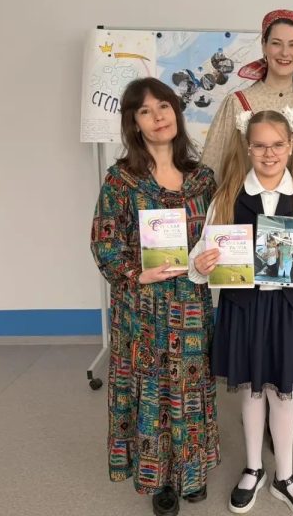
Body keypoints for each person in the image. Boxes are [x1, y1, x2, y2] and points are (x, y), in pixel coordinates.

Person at [190, 109, 293, 516]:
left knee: (284, 392)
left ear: (291, 145)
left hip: (289, 309)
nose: (269, 153)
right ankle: (253, 468)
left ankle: (286, 475)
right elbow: (198, 259)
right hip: (244, 308)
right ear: (248, 148)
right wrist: (202, 264)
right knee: (251, 389)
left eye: (278, 144)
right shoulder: (227, 196)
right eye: (260, 146)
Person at [90, 77, 219, 516]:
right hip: (142, 308)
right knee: (153, 392)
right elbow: (105, 243)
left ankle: (191, 472)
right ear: (134, 123)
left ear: (176, 112)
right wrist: (136, 274)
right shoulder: (122, 180)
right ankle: (159, 478)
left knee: (190, 389)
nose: (158, 117)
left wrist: (213, 260)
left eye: (163, 106)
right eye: (145, 111)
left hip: (191, 305)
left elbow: (217, 238)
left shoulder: (203, 179)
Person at [200, 9, 293, 181]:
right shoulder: (236, 103)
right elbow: (210, 171)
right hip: (245, 199)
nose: (285, 52)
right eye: (276, 43)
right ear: (263, 46)